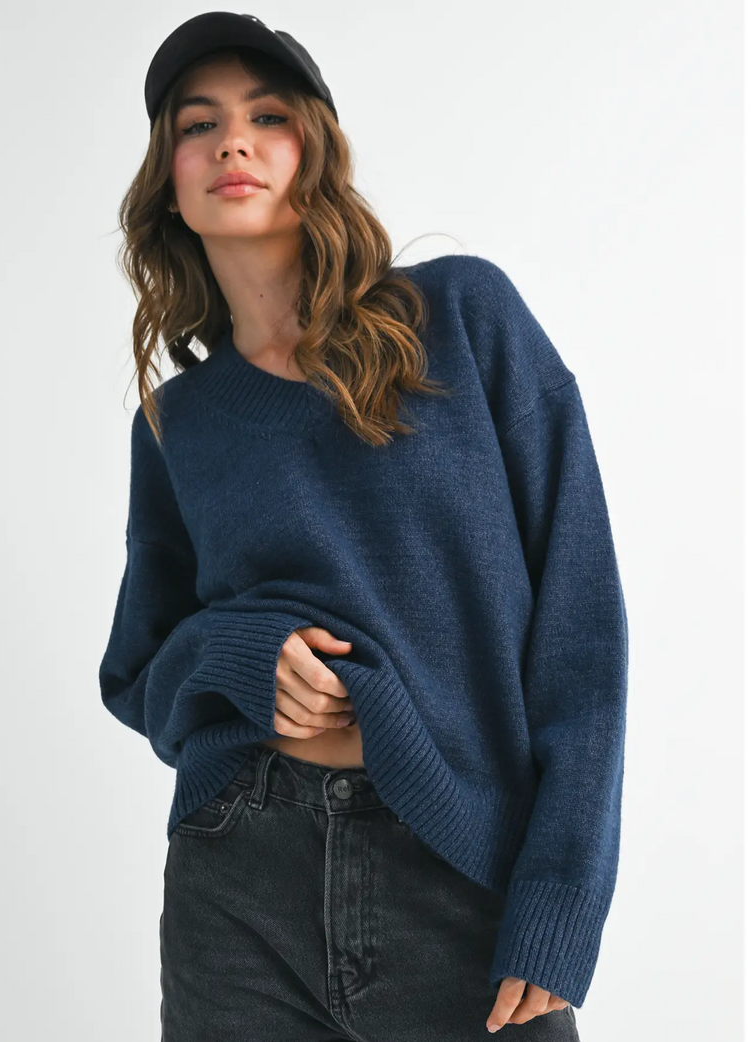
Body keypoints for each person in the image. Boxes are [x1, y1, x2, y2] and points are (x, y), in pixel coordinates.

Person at [98, 12, 628, 1040]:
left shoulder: (462, 319)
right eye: (199, 125)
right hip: (239, 877)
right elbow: (139, 675)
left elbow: (582, 631)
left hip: (463, 867)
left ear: (316, 153)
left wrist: (561, 900)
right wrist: (243, 654)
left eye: (268, 117)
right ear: (168, 179)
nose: (233, 143)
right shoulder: (176, 424)